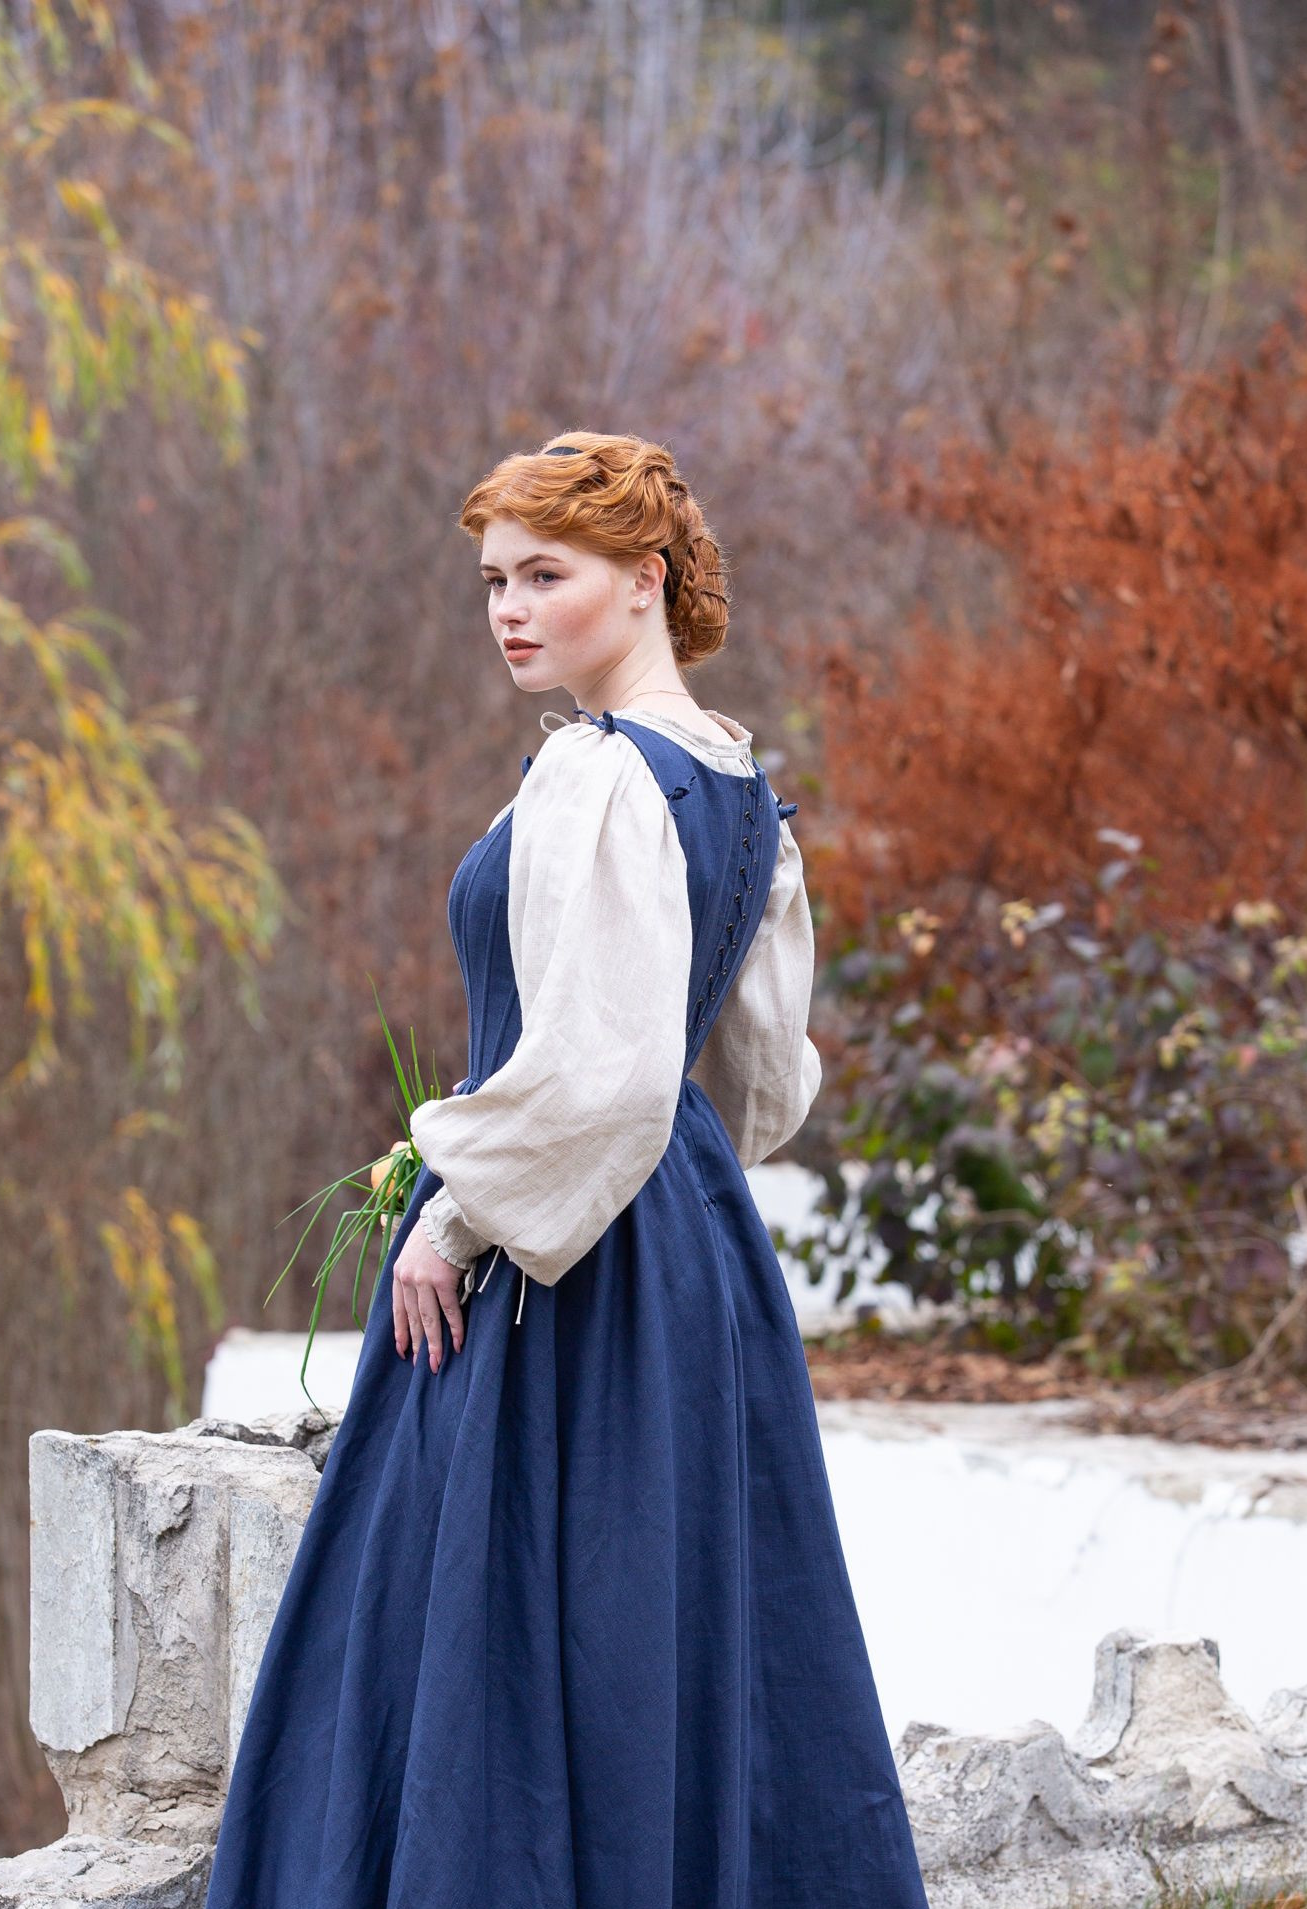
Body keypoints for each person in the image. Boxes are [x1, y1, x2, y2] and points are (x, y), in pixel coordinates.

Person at [203, 432, 932, 1908]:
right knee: (651, 1616)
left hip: (560, 1267)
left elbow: (599, 1077)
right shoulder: (738, 785)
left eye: (547, 575)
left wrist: (454, 1217)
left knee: (507, 1617)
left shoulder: (597, 774)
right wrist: (662, 1200)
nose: (510, 609)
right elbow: (758, 1082)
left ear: (645, 581)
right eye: (494, 581)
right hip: (685, 1258)